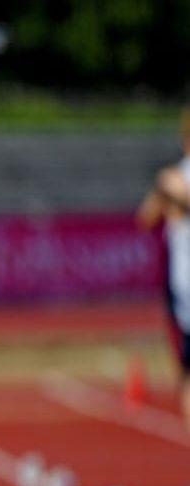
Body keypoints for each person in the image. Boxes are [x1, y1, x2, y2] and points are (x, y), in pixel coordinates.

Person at [136, 109, 190, 432]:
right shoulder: (176, 176)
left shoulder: (177, 178)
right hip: (183, 287)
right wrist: (164, 192)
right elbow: (146, 216)